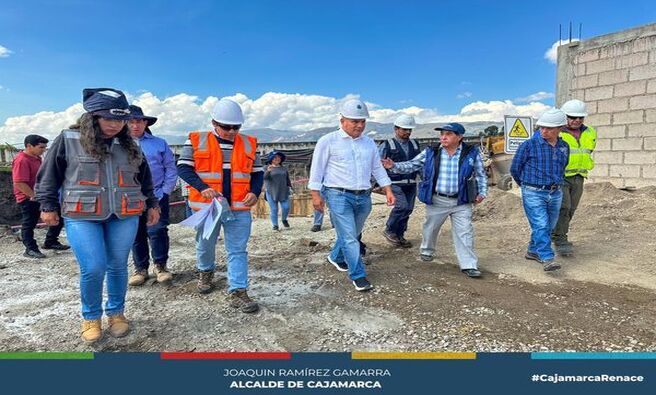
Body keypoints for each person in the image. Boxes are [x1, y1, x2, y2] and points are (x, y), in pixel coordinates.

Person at [35, 88, 159, 342]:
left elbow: (144, 179)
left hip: (124, 213)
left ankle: (116, 313)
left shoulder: (131, 143)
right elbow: (49, 175)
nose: (115, 125)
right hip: (82, 214)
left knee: (117, 266)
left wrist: (153, 203)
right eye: (108, 119)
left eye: (120, 119)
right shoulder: (69, 139)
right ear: (92, 117)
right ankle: (91, 317)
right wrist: (47, 206)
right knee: (93, 267)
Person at [177, 98, 263, 313]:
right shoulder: (196, 140)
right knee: (205, 244)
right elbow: (184, 169)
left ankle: (238, 290)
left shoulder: (250, 143)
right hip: (208, 207)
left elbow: (258, 172)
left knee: (237, 250)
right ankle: (205, 272)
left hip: (239, 206)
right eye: (226, 127)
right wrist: (202, 186)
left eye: (236, 127)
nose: (232, 131)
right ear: (214, 123)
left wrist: (254, 191)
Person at [308, 99, 395, 292]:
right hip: (338, 195)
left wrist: (388, 189)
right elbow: (317, 170)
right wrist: (316, 195)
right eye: (355, 121)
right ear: (342, 120)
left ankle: (336, 257)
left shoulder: (369, 143)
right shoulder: (328, 141)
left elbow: (377, 168)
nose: (359, 125)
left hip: (364, 196)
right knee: (349, 237)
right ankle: (358, 275)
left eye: (362, 121)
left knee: (352, 233)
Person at [382, 122, 487, 278]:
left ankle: (469, 265)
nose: (443, 137)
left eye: (448, 134)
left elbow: (480, 174)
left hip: (462, 201)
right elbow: (412, 165)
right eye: (442, 134)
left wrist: (482, 192)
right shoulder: (432, 152)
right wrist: (394, 166)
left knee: (465, 233)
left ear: (460, 137)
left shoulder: (471, 153)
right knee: (430, 228)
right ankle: (427, 250)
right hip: (438, 201)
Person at [510, 109, 569, 272]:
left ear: (560, 128)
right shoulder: (528, 145)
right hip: (533, 191)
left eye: (549, 128)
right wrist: (526, 186)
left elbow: (563, 166)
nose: (544, 131)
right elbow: (515, 168)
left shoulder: (564, 146)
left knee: (548, 225)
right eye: (542, 127)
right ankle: (547, 257)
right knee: (541, 224)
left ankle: (532, 251)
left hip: (555, 192)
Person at [127, 105, 177, 286]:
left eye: (138, 121)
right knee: (135, 233)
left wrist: (165, 191)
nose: (135, 125)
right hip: (129, 197)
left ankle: (161, 266)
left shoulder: (159, 143)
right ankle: (140, 269)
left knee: (158, 230)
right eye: (130, 122)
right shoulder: (117, 145)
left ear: (145, 122)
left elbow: (171, 168)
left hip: (156, 195)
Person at [12, 134, 70, 258]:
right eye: (41, 147)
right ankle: (30, 249)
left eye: (45, 148)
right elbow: (19, 182)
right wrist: (33, 195)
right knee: (29, 223)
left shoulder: (37, 158)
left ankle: (51, 241)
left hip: (41, 195)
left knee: (59, 216)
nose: (43, 150)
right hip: (28, 198)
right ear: (29, 146)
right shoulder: (22, 160)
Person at [552, 99, 596, 256]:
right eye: (573, 117)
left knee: (571, 208)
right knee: (563, 207)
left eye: (580, 117)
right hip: (561, 176)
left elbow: (588, 151)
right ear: (565, 116)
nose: (577, 120)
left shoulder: (590, 132)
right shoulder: (557, 132)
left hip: (579, 176)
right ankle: (560, 240)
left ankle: (555, 233)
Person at [378, 114, 421, 248]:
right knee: (401, 206)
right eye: (404, 129)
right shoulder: (387, 145)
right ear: (396, 129)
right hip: (394, 183)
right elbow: (378, 165)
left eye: (410, 129)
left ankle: (399, 234)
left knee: (408, 209)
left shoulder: (415, 144)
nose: (408, 132)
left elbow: (420, 163)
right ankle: (390, 230)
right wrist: (379, 183)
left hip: (411, 182)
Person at [264, 151, 292, 231]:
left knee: (286, 207)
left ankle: (284, 219)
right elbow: (264, 178)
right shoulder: (266, 167)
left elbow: (287, 179)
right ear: (271, 159)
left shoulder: (284, 168)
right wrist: (268, 171)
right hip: (271, 191)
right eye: (275, 157)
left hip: (283, 191)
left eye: (279, 157)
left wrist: (290, 187)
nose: (277, 159)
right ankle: (275, 225)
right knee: (274, 209)